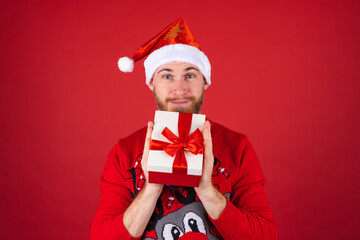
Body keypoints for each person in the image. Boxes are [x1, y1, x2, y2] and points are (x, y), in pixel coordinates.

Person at [90, 17, 277, 240]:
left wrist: (207, 190)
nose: (179, 89)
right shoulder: (125, 152)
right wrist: (151, 188)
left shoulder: (237, 147)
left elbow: (265, 236)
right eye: (167, 76)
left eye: (190, 75)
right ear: (151, 83)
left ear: (205, 81)